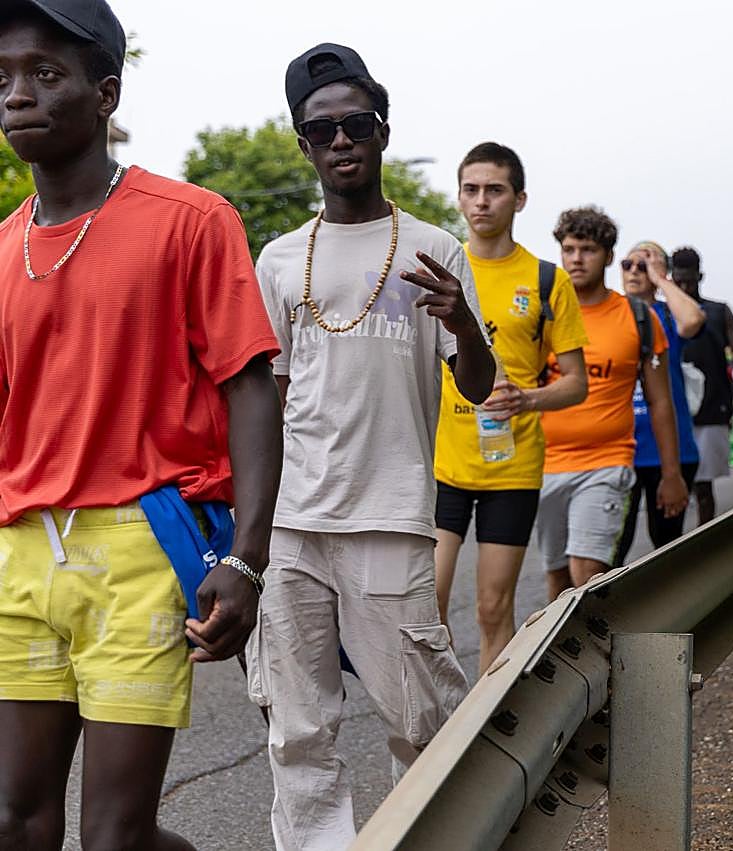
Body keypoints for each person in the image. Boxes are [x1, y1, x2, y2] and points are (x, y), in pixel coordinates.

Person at [0, 2, 284, 849]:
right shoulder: (4, 247)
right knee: (14, 821)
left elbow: (251, 387)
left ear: (106, 93)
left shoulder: (191, 220)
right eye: (4, 77)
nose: (17, 95)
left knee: (116, 836)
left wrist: (246, 557)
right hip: (21, 549)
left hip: (137, 548)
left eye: (46, 74)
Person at [250, 43, 494, 850]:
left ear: (383, 131)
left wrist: (461, 322)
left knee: (422, 719)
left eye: (356, 123)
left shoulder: (435, 249)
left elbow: (480, 385)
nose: (341, 141)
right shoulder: (280, 258)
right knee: (297, 727)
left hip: (390, 516)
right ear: (304, 145)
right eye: (322, 131)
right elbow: (272, 398)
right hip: (293, 523)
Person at [434, 142, 588, 673]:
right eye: (471, 190)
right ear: (458, 197)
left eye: (494, 190)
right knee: (425, 606)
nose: (482, 202)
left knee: (493, 608)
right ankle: (436, 731)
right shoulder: (439, 269)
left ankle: (485, 735)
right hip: (442, 463)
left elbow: (576, 384)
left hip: (512, 467)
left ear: (519, 200)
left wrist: (528, 398)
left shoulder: (548, 279)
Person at [538, 207, 689, 601]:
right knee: (557, 579)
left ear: (607, 256)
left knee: (586, 573)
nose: (575, 259)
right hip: (544, 463)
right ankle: (567, 660)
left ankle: (601, 660)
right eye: (568, 249)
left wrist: (671, 474)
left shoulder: (637, 317)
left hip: (607, 461)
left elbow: (660, 402)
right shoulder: (544, 313)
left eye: (587, 250)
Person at [613, 241, 704, 565]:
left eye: (644, 266)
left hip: (669, 451)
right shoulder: (609, 313)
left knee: (666, 547)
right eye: (628, 265)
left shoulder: (667, 313)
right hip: (619, 449)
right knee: (610, 550)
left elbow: (693, 319)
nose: (634, 272)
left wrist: (662, 279)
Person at [673, 246, 733, 525]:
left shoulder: (718, 312)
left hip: (712, 409)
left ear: (700, 277)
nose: (684, 287)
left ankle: (702, 546)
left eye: (689, 281)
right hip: (671, 410)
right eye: (678, 281)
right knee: (674, 487)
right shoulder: (662, 313)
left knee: (703, 487)